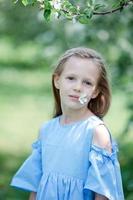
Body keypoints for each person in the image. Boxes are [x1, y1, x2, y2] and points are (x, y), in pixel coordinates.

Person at [10, 47, 124, 200]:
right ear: (57, 80)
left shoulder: (96, 132)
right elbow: (36, 187)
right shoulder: (46, 130)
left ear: (96, 92)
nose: (77, 87)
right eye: (71, 78)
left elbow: (103, 194)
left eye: (87, 83)